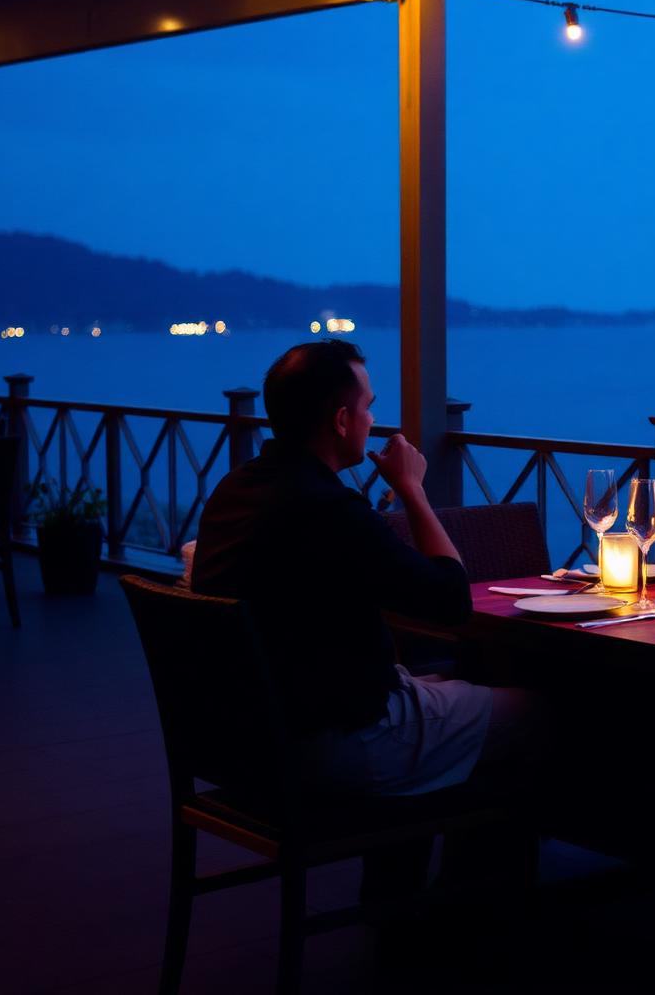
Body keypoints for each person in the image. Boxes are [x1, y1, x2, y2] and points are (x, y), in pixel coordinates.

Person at [191, 340, 540, 920]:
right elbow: (450, 599)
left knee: (442, 691)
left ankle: (398, 906)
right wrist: (412, 489)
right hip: (329, 745)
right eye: (370, 407)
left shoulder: (239, 489)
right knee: (536, 715)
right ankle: (479, 917)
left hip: (244, 742)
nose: (375, 421)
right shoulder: (325, 507)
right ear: (342, 419)